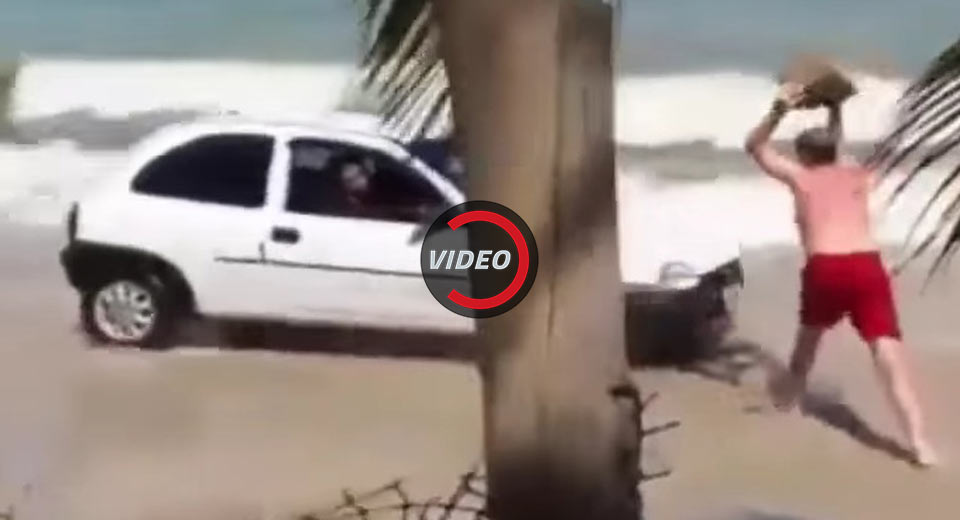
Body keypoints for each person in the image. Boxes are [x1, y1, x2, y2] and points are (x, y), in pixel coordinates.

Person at [744, 83, 937, 467]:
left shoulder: (800, 177)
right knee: (888, 354)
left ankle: (786, 404)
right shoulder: (858, 175)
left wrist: (779, 109)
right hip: (866, 266)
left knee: (806, 345)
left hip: (825, 268)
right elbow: (838, 148)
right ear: (833, 152)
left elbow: (755, 146)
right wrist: (835, 109)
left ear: (802, 155)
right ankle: (919, 443)